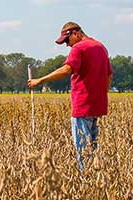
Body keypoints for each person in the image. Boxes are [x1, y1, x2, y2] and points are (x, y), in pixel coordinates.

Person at [27, 22, 112, 169]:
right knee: (93, 148)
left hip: (82, 105)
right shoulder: (100, 47)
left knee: (82, 149)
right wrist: (100, 95)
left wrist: (40, 80)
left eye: (67, 40)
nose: (67, 45)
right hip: (97, 106)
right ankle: (96, 179)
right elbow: (109, 75)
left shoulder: (79, 48)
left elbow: (67, 69)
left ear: (76, 33)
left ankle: (85, 180)